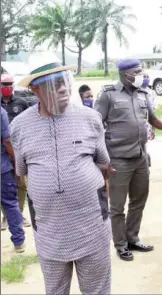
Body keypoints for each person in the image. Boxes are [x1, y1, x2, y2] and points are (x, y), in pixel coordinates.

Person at [10, 55, 112, 294]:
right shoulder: (20, 126)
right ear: (35, 90)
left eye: (64, 80)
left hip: (91, 225)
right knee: (55, 290)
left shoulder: (90, 118)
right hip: (49, 230)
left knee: (97, 290)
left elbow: (104, 166)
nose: (63, 88)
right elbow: (23, 173)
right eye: (54, 84)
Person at [94, 59, 162, 262]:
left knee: (139, 200)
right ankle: (121, 244)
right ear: (125, 74)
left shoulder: (143, 94)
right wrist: (101, 158)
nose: (141, 75)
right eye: (137, 71)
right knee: (117, 206)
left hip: (141, 157)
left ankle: (132, 238)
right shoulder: (109, 95)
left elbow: (153, 119)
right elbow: (96, 125)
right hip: (118, 159)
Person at [1, 73, 31, 230]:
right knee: (5, 185)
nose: (6, 87)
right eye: (4, 85)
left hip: (20, 148)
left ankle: (18, 214)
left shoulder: (21, 102)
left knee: (21, 183)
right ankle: (6, 216)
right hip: (4, 151)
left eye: (9, 84)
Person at [1, 107, 26, 253]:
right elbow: (7, 141)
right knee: (10, 204)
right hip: (2, 168)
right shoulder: (1, 112)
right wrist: (16, 163)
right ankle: (19, 242)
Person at [141, 73, 156, 167]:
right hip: (139, 121)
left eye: (148, 77)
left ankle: (146, 159)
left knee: (146, 142)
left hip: (148, 122)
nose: (146, 79)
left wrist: (154, 128)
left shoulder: (152, 93)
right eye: (144, 77)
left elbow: (153, 111)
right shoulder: (136, 91)